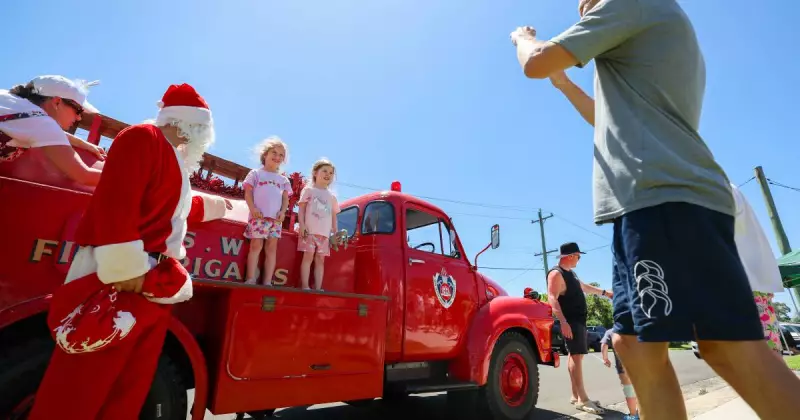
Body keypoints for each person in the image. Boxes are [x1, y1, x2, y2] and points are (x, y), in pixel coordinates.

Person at [509, 1, 800, 419]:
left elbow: (535, 61)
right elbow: (605, 119)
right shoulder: (649, 22)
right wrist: (563, 84)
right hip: (650, 203)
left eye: (585, 3)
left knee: (729, 348)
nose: (582, 7)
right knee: (635, 345)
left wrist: (522, 38)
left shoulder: (631, 3)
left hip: (664, 198)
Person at [28, 83, 230, 420]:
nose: (205, 140)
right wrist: (128, 270)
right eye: (204, 131)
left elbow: (171, 208)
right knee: (79, 391)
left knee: (128, 390)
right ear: (190, 125)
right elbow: (115, 204)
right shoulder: (142, 138)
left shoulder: (173, 158)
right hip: (121, 283)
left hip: (153, 286)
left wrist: (217, 207)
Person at [0, 75, 105, 185]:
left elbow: (37, 127)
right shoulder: (43, 124)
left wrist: (83, 143)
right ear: (57, 102)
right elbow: (84, 175)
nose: (79, 117)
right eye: (78, 110)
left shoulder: (11, 101)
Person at [547, 242, 612, 415]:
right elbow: (552, 298)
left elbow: (585, 288)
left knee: (575, 357)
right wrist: (563, 322)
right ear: (570, 256)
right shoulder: (556, 273)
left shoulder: (571, 274)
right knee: (576, 357)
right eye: (578, 256)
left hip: (579, 322)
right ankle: (584, 399)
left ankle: (575, 396)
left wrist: (605, 293)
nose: (579, 259)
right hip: (571, 322)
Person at [731, 183, 787, 358]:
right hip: (750, 288)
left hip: (740, 290)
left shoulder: (711, 185)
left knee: (765, 366)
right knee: (767, 364)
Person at [243, 136, 291, 285]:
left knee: (271, 248)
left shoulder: (283, 180)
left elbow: (285, 199)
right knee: (256, 245)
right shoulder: (255, 174)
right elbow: (248, 193)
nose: (277, 157)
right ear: (265, 154)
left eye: (281, 155)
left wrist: (283, 212)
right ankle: (250, 278)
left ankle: (267, 281)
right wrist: (253, 209)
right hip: (259, 217)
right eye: (274, 153)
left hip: (275, 220)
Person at [297, 158, 340, 290]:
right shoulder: (309, 190)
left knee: (320, 260)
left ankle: (318, 287)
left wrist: (335, 231)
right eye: (325, 171)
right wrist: (302, 225)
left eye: (331, 173)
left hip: (324, 234)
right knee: (308, 257)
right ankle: (305, 286)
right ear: (315, 173)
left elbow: (333, 215)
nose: (328, 174)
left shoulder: (332, 197)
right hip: (309, 231)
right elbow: (302, 209)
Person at [600, 326, 639, 420]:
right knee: (641, 390)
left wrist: (605, 358)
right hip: (640, 366)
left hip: (624, 369)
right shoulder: (638, 328)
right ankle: (645, 412)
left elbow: (604, 345)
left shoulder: (611, 332)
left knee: (629, 391)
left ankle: (633, 415)